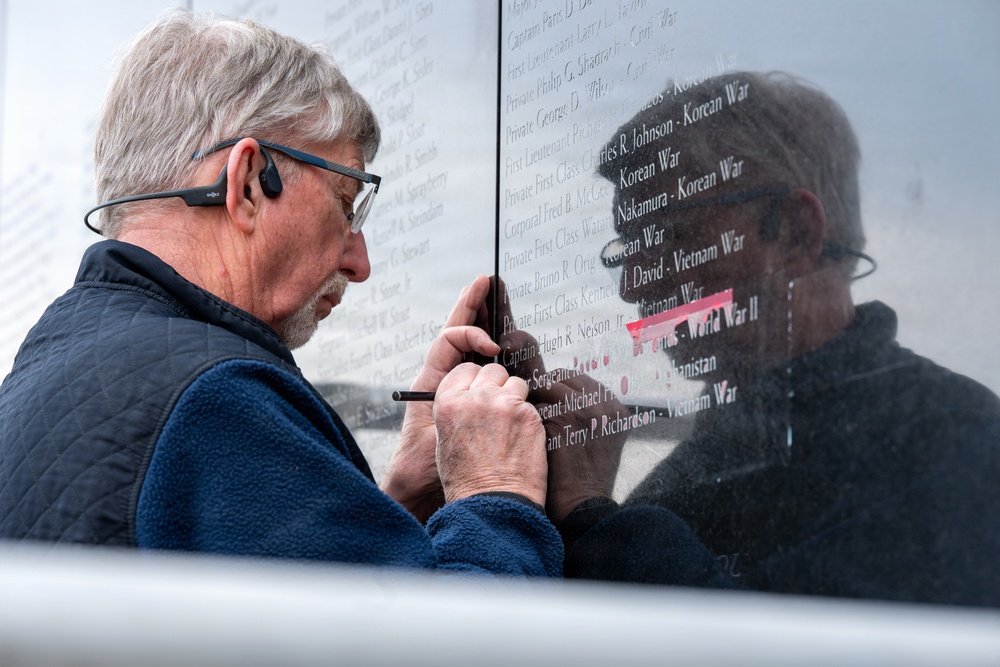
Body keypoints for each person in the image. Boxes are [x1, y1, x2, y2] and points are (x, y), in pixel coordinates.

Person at [0, 10, 561, 577]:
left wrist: (396, 505)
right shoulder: (217, 401)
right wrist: (494, 494)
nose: (359, 262)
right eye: (346, 203)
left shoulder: (51, 371)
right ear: (246, 183)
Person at [553, 71, 1000, 606]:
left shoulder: (954, 445)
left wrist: (586, 510)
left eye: (667, 235)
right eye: (630, 247)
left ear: (795, 231)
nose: (632, 285)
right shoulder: (684, 479)